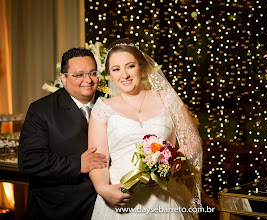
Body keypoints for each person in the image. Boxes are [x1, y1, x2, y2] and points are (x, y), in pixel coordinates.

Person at [88, 39, 203, 220]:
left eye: (130, 66)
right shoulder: (103, 108)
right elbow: (98, 158)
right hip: (122, 198)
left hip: (166, 199)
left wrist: (167, 167)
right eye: (116, 69)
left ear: (141, 67)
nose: (124, 75)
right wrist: (103, 188)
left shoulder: (168, 99)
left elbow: (192, 143)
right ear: (109, 74)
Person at [18, 47, 107, 220]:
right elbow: (29, 161)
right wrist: (77, 164)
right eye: (79, 75)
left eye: (92, 73)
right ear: (64, 79)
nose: (88, 80)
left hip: (103, 207)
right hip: (57, 210)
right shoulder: (41, 109)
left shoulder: (110, 104)